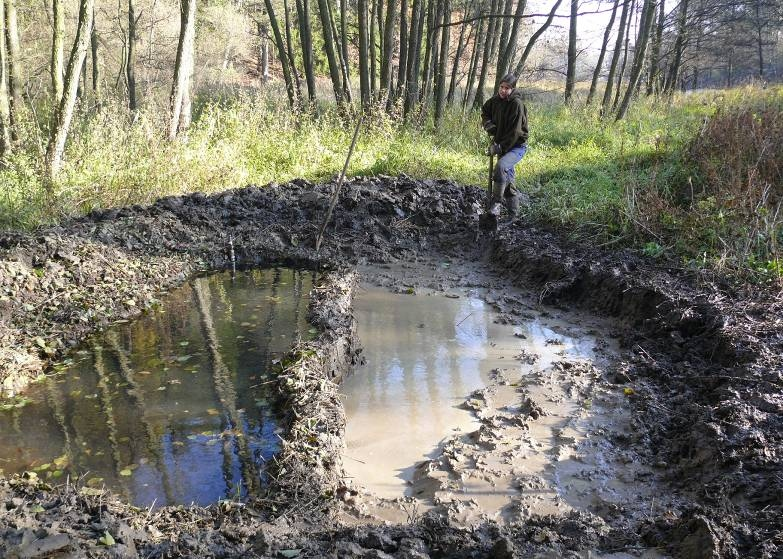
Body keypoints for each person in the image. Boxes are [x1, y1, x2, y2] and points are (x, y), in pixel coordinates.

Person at [480, 73, 528, 218]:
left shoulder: (516, 105)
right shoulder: (495, 101)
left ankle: (496, 204)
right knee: (507, 179)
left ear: (512, 89)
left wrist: (500, 147)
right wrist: (488, 124)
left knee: (500, 167)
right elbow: (485, 111)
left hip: (516, 147)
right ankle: (514, 214)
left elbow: (515, 132)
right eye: (501, 87)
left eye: (507, 88)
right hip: (502, 144)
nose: (503, 90)